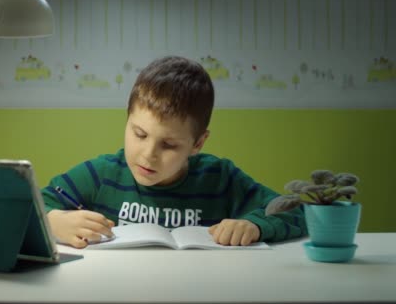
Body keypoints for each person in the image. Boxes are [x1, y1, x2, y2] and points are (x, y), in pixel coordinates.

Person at [41, 56, 306, 248]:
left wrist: (255, 226)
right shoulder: (101, 174)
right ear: (127, 120)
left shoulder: (220, 177)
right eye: (139, 134)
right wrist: (52, 221)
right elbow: (28, 206)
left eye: (168, 145)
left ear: (198, 144)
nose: (148, 154)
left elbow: (297, 211)